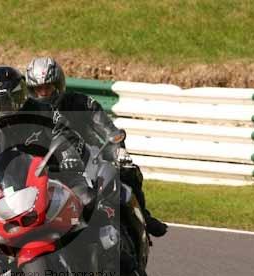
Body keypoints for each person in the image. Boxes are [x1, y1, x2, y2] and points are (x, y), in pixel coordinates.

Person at [0, 65, 87, 276]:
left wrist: (68, 154)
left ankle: (108, 255)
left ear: (20, 95)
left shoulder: (42, 110)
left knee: (86, 200)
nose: (2, 108)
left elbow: (64, 133)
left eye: (7, 101)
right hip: (15, 190)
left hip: (56, 174)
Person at [25, 57, 167, 237]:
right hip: (51, 169)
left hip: (92, 159)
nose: (44, 93)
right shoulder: (28, 114)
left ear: (58, 85)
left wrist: (118, 149)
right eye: (39, 89)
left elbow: (108, 129)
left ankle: (144, 219)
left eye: (48, 87)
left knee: (128, 171)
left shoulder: (81, 103)